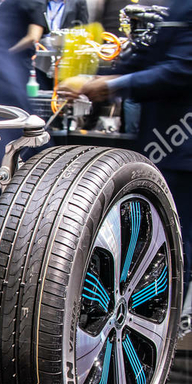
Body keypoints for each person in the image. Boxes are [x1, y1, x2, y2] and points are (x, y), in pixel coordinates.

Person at [64, 0, 192, 302]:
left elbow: (181, 71)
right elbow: (147, 59)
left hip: (182, 150)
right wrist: (93, 81)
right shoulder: (177, 7)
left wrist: (111, 85)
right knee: (145, 246)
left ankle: (162, 333)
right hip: (158, 148)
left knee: (173, 249)